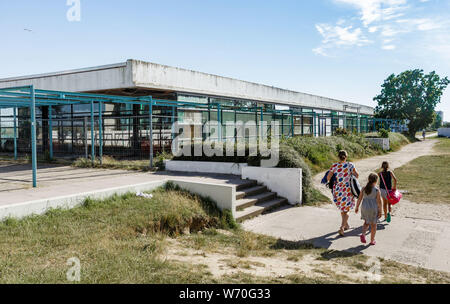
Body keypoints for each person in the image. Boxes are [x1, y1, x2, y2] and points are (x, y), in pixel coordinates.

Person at [327, 150, 359, 237]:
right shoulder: (350, 165)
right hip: (347, 190)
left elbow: (328, 177)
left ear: (338, 157)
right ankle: (342, 227)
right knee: (347, 210)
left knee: (342, 209)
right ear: (346, 156)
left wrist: (336, 180)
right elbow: (357, 175)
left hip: (338, 189)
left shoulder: (334, 166)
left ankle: (346, 225)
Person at [355, 173, 382, 246]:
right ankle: (372, 240)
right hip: (373, 208)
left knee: (366, 222)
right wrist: (380, 211)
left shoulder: (363, 188)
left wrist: (357, 207)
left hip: (364, 207)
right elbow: (379, 202)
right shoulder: (376, 190)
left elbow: (359, 198)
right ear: (376, 181)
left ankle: (363, 234)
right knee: (374, 225)